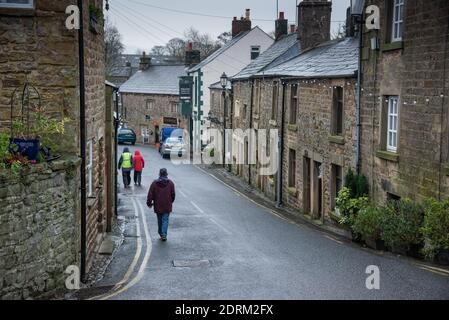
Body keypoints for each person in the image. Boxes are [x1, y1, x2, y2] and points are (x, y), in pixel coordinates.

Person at [147, 168, 175, 241]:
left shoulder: (154, 183)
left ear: (159, 174)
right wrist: (170, 201)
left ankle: (161, 233)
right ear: (166, 174)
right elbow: (173, 194)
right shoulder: (171, 183)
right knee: (165, 219)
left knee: (159, 219)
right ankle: (163, 234)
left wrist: (149, 203)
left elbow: (150, 194)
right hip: (167, 205)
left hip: (158, 205)